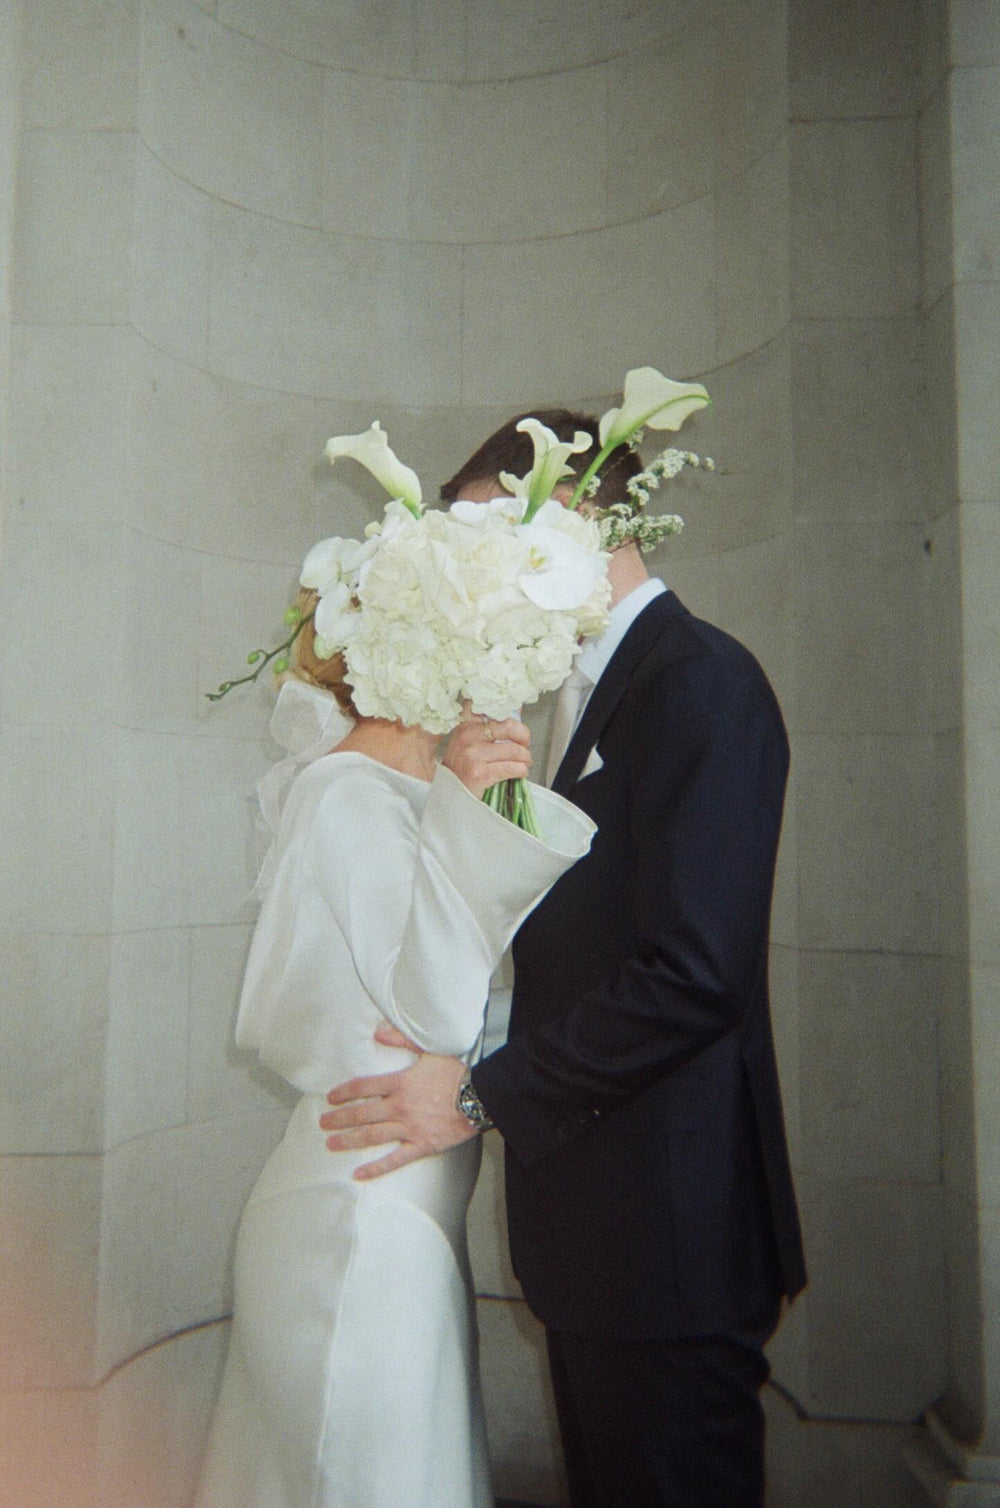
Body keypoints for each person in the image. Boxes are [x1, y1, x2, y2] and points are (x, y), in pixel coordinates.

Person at [320, 411, 807, 1507]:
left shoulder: (699, 682)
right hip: (608, 1241)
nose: (476, 579)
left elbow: (693, 974)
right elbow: (588, 956)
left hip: (668, 1247)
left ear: (581, 517)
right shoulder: (592, 693)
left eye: (488, 543)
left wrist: (480, 1094)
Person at [196, 586, 597, 1507]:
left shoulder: (395, 796)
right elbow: (433, 1013)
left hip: (391, 1207)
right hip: (359, 1223)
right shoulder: (347, 795)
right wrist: (476, 806)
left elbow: (461, 1014)